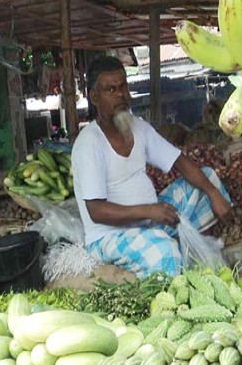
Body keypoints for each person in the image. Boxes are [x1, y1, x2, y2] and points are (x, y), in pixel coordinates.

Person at [71, 56, 232, 277]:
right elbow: (96, 211)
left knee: (208, 180)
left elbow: (180, 162)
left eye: (123, 86)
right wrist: (149, 210)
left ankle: (190, 250)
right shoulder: (89, 142)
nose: (121, 95)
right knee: (166, 252)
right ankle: (167, 260)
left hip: (148, 222)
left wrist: (213, 193)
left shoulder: (137, 126)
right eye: (111, 89)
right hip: (109, 236)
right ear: (95, 97)